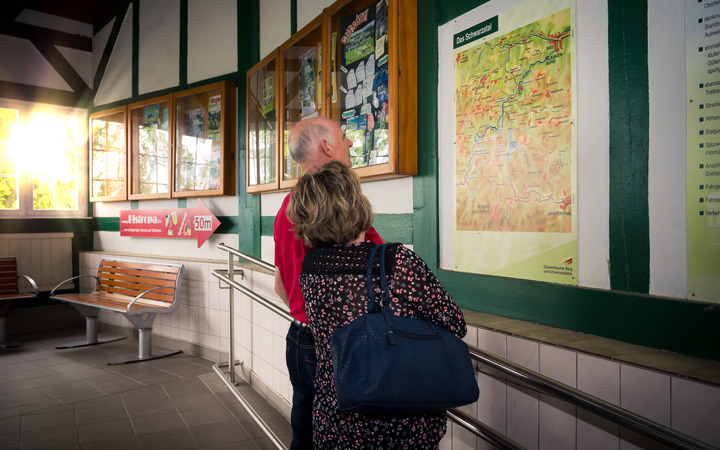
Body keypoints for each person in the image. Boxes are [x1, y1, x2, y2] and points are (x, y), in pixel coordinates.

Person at [287, 160, 467, 449]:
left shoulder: (311, 267)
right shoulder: (395, 262)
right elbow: (454, 322)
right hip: (400, 423)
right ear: (355, 205)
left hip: (335, 420)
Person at [274, 117, 384, 449]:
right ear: (326, 147)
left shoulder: (287, 207)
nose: (350, 143)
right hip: (335, 346)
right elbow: (380, 272)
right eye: (343, 137)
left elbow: (280, 284)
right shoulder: (338, 210)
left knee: (305, 436)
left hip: (299, 340)